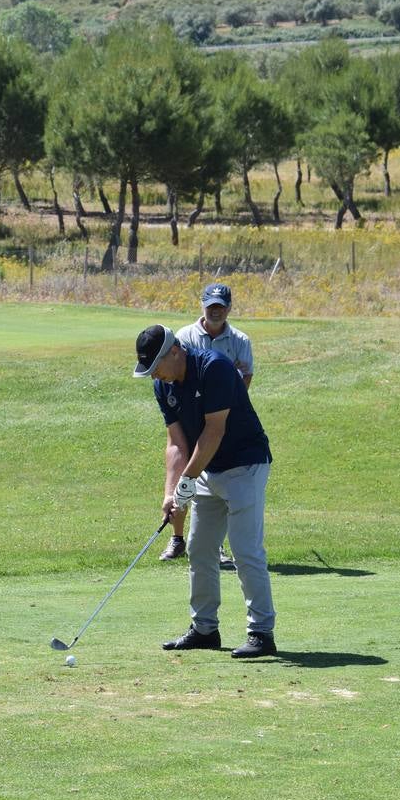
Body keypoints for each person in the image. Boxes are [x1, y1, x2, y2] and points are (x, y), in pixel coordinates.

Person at [133, 324, 277, 659]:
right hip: (208, 470)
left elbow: (214, 431)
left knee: (245, 550)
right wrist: (172, 492)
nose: (156, 374)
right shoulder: (162, 385)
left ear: (175, 351)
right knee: (200, 548)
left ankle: (261, 632)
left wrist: (188, 480)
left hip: (245, 465)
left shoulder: (214, 367)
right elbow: (176, 443)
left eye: (157, 366)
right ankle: (204, 629)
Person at [161, 282, 255, 569]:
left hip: (220, 421)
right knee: (181, 479)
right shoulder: (184, 336)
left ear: (228, 308)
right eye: (211, 306)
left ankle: (215, 545)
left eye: (221, 306)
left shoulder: (240, 340)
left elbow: (245, 378)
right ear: (202, 306)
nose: (216, 311)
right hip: (190, 419)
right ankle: (177, 538)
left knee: (215, 489)